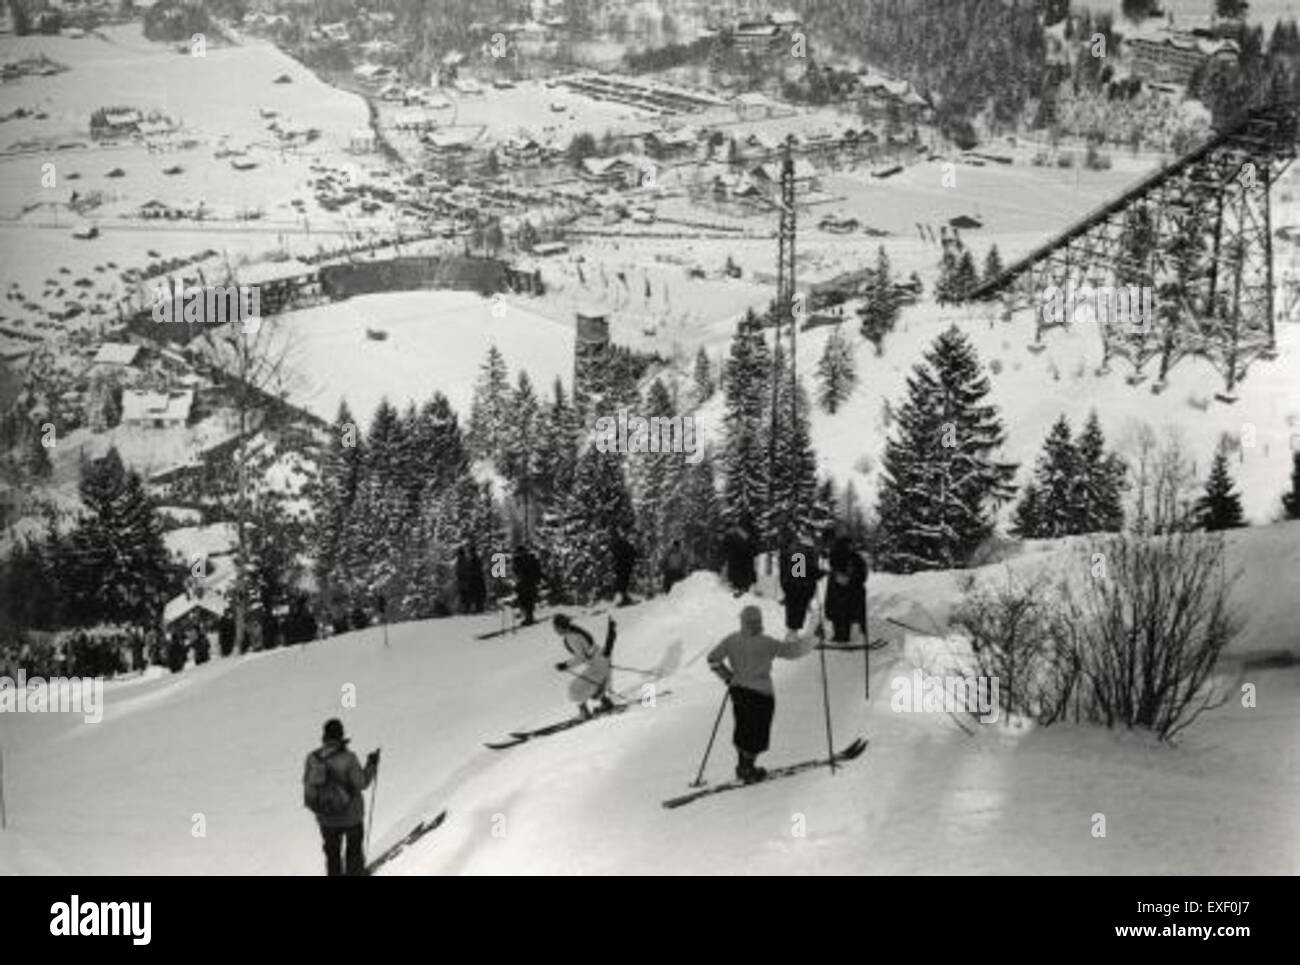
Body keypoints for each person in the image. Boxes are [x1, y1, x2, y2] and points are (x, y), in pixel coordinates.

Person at [708, 605, 817, 783]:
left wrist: (728, 677)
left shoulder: (731, 640)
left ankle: (742, 766)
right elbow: (792, 651)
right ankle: (748, 769)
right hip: (761, 695)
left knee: (743, 728)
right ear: (759, 622)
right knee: (757, 732)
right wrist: (814, 640)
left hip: (738, 692)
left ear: (742, 621)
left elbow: (712, 659)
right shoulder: (766, 642)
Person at [303, 718, 380, 876]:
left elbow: (307, 784)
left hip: (325, 817)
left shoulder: (312, 758)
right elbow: (361, 783)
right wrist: (371, 764)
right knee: (353, 853)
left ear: (324, 735)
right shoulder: (349, 758)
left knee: (332, 855)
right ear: (341, 735)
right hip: (351, 816)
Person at [551, 613, 614, 720]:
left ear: (561, 627)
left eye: (555, 627)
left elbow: (581, 658)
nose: (555, 630)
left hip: (598, 664)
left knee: (574, 688)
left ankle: (584, 713)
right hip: (602, 660)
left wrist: (565, 665)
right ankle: (606, 703)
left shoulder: (571, 637)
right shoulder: (575, 631)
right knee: (593, 683)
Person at [824, 536, 868, 644]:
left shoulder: (854, 557)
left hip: (849, 591)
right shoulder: (839, 556)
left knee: (844, 614)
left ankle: (845, 636)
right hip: (842, 592)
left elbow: (862, 573)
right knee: (842, 613)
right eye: (849, 544)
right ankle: (842, 636)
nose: (851, 546)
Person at [779, 541, 821, 640]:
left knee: (794, 610)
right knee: (797, 611)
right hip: (800, 588)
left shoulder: (793, 551)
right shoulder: (801, 553)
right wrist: (819, 574)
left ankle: (791, 633)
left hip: (793, 586)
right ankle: (792, 635)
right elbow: (800, 572)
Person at [513, 544, 542, 625]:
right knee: (523, 600)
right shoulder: (518, 560)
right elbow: (516, 571)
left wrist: (537, 579)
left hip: (528, 583)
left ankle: (529, 617)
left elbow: (537, 570)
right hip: (524, 583)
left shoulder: (531, 559)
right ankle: (528, 616)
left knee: (528, 601)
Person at [723, 526, 756, 596]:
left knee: (741, 571)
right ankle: (740, 586)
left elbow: (747, 543)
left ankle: (742, 587)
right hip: (739, 557)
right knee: (738, 570)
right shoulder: (734, 535)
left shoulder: (738, 534)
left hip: (742, 558)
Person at [610, 533, 636, 606]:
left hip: (623, 566)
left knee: (623, 581)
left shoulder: (619, 544)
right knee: (622, 582)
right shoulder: (621, 544)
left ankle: (623, 598)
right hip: (623, 566)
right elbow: (631, 553)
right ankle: (622, 598)